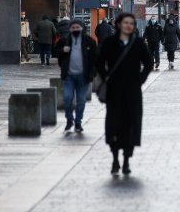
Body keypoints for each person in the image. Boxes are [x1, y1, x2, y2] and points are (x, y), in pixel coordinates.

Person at [95, 13, 153, 175]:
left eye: (131, 23)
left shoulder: (138, 43)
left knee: (131, 124)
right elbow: (99, 62)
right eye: (126, 23)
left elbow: (148, 64)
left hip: (132, 92)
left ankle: (126, 159)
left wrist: (140, 80)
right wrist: (106, 77)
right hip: (114, 92)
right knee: (114, 124)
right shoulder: (110, 42)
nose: (129, 26)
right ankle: (115, 159)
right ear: (119, 24)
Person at [56, 19, 98, 133]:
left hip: (83, 76)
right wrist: (62, 50)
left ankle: (78, 122)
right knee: (67, 97)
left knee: (81, 100)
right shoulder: (65, 40)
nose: (75, 30)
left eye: (77, 28)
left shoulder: (89, 41)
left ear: (82, 28)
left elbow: (95, 58)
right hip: (69, 76)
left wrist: (92, 73)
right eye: (73, 28)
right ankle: (69, 119)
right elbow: (55, 51)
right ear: (70, 29)